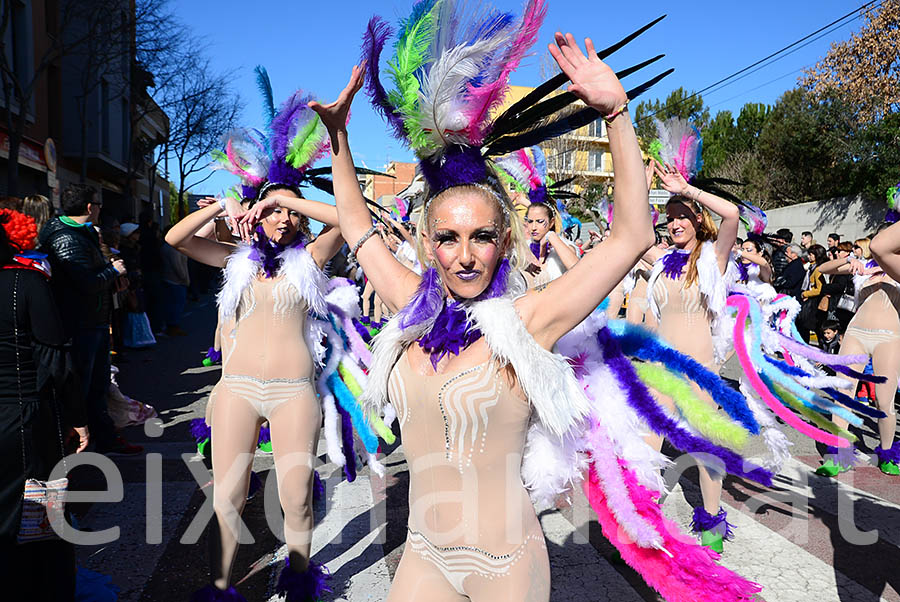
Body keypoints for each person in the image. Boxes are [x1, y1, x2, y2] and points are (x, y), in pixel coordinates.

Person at [175, 70, 386, 600]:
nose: (281, 222)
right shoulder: (235, 262)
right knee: (227, 495)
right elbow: (176, 238)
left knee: (296, 496)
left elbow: (345, 219)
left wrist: (287, 199)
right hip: (237, 390)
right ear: (254, 213)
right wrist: (226, 209)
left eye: (288, 214)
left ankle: (298, 577)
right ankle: (221, 585)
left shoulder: (311, 261)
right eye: (270, 212)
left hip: (294, 393)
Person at [641, 140, 742, 552]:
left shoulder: (712, 260)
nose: (674, 222)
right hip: (660, 373)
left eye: (681, 216)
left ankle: (712, 522)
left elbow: (732, 214)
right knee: (646, 450)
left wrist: (686, 190)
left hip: (699, 370)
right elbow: (626, 234)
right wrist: (644, 190)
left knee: (705, 453)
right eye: (669, 218)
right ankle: (639, 523)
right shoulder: (660, 260)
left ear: (698, 220)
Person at [0, 208, 87, 601]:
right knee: (40, 516)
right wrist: (77, 418)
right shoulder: (26, 283)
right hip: (24, 419)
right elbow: (56, 360)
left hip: (22, 414)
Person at [38, 185, 141, 455]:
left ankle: (103, 439)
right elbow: (83, 283)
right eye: (98, 204)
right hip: (79, 324)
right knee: (81, 391)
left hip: (93, 320)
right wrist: (111, 271)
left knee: (97, 388)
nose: (99, 209)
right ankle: (70, 448)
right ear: (88, 207)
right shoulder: (67, 238)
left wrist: (112, 283)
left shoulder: (84, 234)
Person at [817, 221, 899, 477]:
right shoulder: (864, 268)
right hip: (855, 334)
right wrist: (849, 262)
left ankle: (886, 453)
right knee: (844, 393)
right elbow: (821, 268)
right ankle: (839, 453)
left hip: (889, 338)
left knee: (883, 401)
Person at [160, 228, 190, 337]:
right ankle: (173, 327)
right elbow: (178, 266)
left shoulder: (165, 247)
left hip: (169, 279)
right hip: (176, 281)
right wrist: (185, 279)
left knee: (171, 304)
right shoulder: (174, 249)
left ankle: (171, 326)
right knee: (176, 305)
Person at [798, 244, 829, 344]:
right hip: (811, 299)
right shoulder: (812, 267)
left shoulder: (818, 269)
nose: (809, 256)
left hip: (815, 302)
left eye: (811, 254)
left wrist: (806, 294)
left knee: (811, 325)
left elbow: (819, 289)